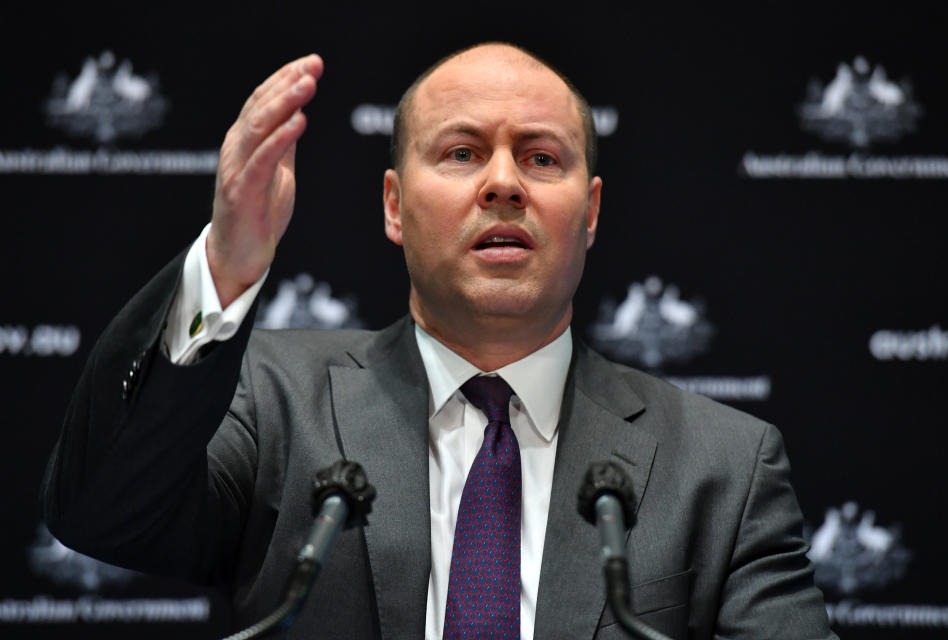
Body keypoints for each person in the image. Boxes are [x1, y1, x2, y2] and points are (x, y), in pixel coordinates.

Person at [41, 43, 836, 639]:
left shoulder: (723, 466)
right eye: (461, 153)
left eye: (540, 157)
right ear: (393, 206)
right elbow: (101, 514)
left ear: (589, 213)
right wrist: (225, 265)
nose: (502, 183)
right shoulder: (274, 399)